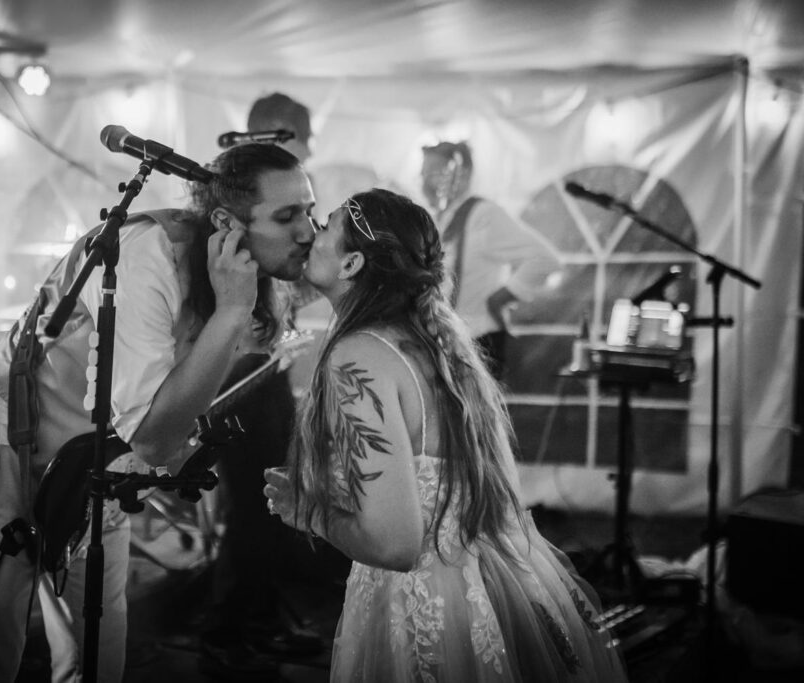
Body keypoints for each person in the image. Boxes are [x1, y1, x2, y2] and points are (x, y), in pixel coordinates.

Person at [0, 142, 316, 683]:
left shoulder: (245, 277)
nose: (307, 230)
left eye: (308, 209)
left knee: (98, 651)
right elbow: (154, 441)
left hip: (93, 463)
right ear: (226, 222)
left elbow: (174, 413)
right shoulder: (145, 256)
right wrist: (230, 313)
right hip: (8, 447)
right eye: (287, 216)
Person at [264, 188, 628, 682]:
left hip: (420, 603)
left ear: (351, 263)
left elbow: (395, 545)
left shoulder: (358, 357)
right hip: (484, 583)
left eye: (324, 226)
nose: (310, 234)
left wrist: (307, 510)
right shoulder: (438, 344)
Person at [198, 91, 327, 681]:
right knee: (250, 509)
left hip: (265, 371)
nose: (303, 225)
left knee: (273, 502)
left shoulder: (291, 190)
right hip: (238, 380)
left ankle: (264, 622)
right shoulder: (245, 198)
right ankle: (229, 634)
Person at [420, 141, 560, 380]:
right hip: (449, 342)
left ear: (461, 176)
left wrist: (502, 297)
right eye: (423, 174)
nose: (425, 183)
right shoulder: (443, 219)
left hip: (478, 341)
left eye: (434, 173)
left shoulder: (483, 215)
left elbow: (545, 259)